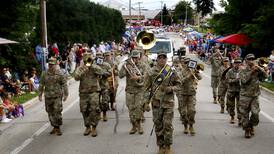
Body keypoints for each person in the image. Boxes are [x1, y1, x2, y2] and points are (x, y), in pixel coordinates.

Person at [143, 52, 180, 154]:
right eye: (160, 57)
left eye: (164, 58)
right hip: (156, 103)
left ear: (166, 59)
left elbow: (179, 85)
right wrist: (146, 102)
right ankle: (160, 146)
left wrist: (171, 88)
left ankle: (168, 146)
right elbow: (146, 88)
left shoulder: (171, 71)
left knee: (167, 125)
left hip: (168, 103)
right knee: (158, 125)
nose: (162, 59)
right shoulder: (151, 72)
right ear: (157, 59)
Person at [239, 54, 268, 138]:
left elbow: (265, 77)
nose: (251, 60)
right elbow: (244, 81)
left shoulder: (257, 68)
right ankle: (247, 130)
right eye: (249, 59)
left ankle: (251, 125)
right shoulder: (242, 69)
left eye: (252, 59)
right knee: (245, 114)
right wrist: (251, 72)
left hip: (255, 95)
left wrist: (262, 69)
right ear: (246, 60)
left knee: (255, 114)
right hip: (245, 96)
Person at [74, 53, 103, 137]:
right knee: (84, 110)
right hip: (83, 92)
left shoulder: (95, 67)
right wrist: (84, 69)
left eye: (89, 60)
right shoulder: (80, 68)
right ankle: (87, 127)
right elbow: (76, 77)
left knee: (94, 109)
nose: (88, 62)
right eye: (86, 61)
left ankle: (94, 127)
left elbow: (101, 72)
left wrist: (92, 66)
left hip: (94, 91)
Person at [38, 57, 68, 136]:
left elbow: (64, 84)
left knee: (57, 111)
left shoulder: (60, 73)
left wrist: (66, 94)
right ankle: (54, 126)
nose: (51, 66)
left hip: (57, 96)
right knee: (50, 112)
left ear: (55, 64)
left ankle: (58, 127)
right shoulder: (44, 73)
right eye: (50, 64)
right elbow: (41, 84)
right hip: (48, 96)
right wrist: (40, 95)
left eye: (52, 64)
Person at [119, 50, 146, 135]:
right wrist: (124, 67)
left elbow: (147, 76)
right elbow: (120, 75)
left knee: (138, 108)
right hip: (130, 90)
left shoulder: (143, 65)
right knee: (131, 109)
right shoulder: (127, 65)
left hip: (139, 90)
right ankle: (134, 126)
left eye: (136, 58)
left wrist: (138, 78)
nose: (135, 60)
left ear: (139, 57)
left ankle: (139, 125)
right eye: (133, 58)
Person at [177, 57, 202, 135]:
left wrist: (196, 72)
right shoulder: (180, 72)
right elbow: (181, 81)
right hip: (182, 94)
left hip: (191, 93)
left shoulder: (193, 70)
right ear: (183, 64)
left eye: (189, 62)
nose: (187, 64)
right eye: (186, 63)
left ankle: (191, 125)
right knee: (183, 112)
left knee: (192, 111)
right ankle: (185, 126)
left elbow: (200, 78)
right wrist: (189, 76)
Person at [95, 52, 112, 121]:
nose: (99, 58)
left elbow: (110, 73)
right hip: (95, 86)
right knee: (96, 102)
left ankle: (104, 114)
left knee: (105, 101)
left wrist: (103, 73)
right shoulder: (93, 65)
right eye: (97, 57)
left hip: (104, 86)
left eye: (100, 57)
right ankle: (98, 114)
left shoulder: (106, 65)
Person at [226, 57, 242, 124]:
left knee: (239, 106)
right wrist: (236, 80)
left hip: (239, 91)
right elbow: (228, 80)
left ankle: (240, 119)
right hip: (231, 91)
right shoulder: (230, 71)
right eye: (236, 63)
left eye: (239, 63)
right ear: (233, 64)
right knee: (231, 105)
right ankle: (232, 117)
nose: (237, 64)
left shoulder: (242, 71)